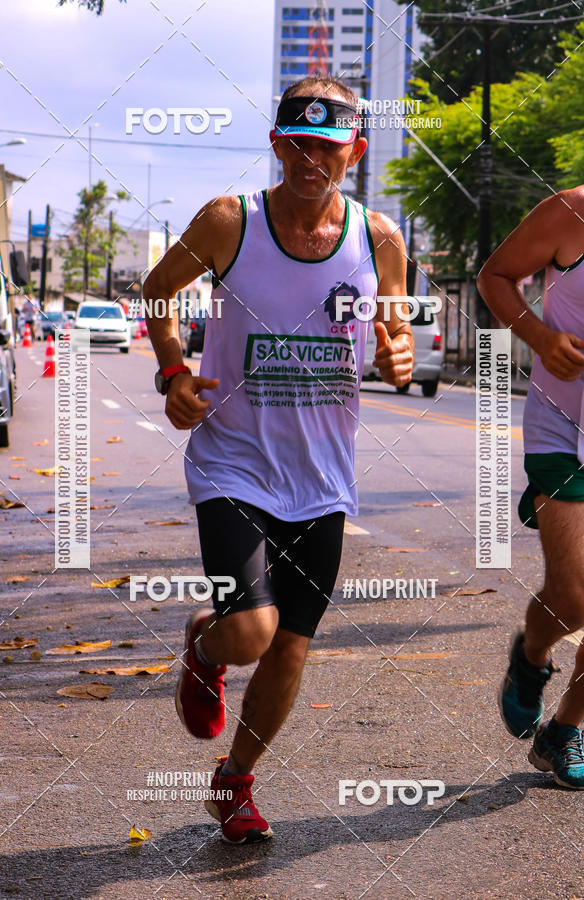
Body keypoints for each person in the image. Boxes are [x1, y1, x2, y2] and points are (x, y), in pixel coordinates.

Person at [144, 75, 414, 843]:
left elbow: (394, 328)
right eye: (297, 144)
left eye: (328, 149)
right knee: (251, 632)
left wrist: (398, 349)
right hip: (232, 464)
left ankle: (234, 784)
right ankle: (206, 641)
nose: (311, 160)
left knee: (291, 645)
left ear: (354, 153)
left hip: (323, 477)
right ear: (276, 145)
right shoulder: (233, 222)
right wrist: (172, 372)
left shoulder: (380, 239)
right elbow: (158, 291)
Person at [478, 187, 584, 789]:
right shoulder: (569, 212)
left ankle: (563, 732)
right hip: (562, 426)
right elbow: (495, 276)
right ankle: (531, 659)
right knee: (573, 598)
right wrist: (543, 340)